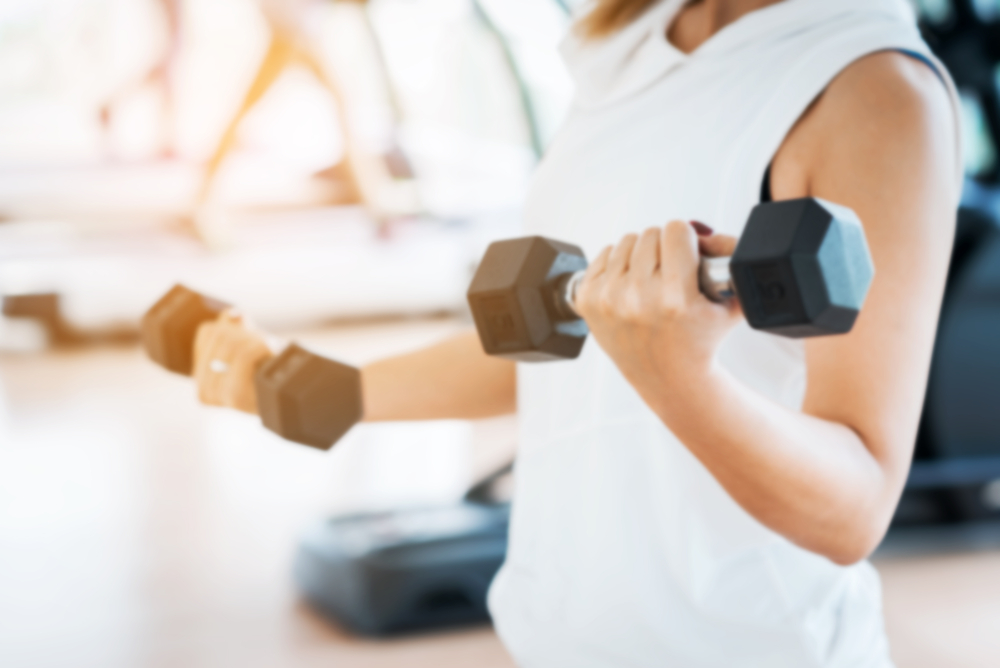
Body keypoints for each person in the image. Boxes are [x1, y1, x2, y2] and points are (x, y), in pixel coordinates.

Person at [192, 0, 960, 665]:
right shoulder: (626, 40)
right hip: (555, 642)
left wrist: (678, 376)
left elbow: (852, 508)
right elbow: (565, 334)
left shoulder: (874, 87)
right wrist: (316, 394)